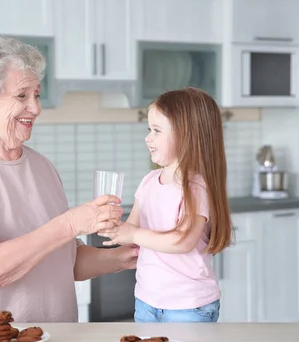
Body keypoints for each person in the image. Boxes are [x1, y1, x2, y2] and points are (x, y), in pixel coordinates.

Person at [0, 36, 138, 323]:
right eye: (22, 95)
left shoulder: (42, 167)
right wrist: (71, 223)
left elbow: (66, 261)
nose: (35, 108)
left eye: (36, 95)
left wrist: (126, 257)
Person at [98, 87, 232, 323]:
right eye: (149, 129)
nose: (148, 137)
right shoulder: (149, 182)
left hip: (189, 305)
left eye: (157, 131)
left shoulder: (195, 188)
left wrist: (134, 233)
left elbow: (182, 241)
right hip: (147, 300)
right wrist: (114, 228)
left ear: (187, 135)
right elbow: (132, 231)